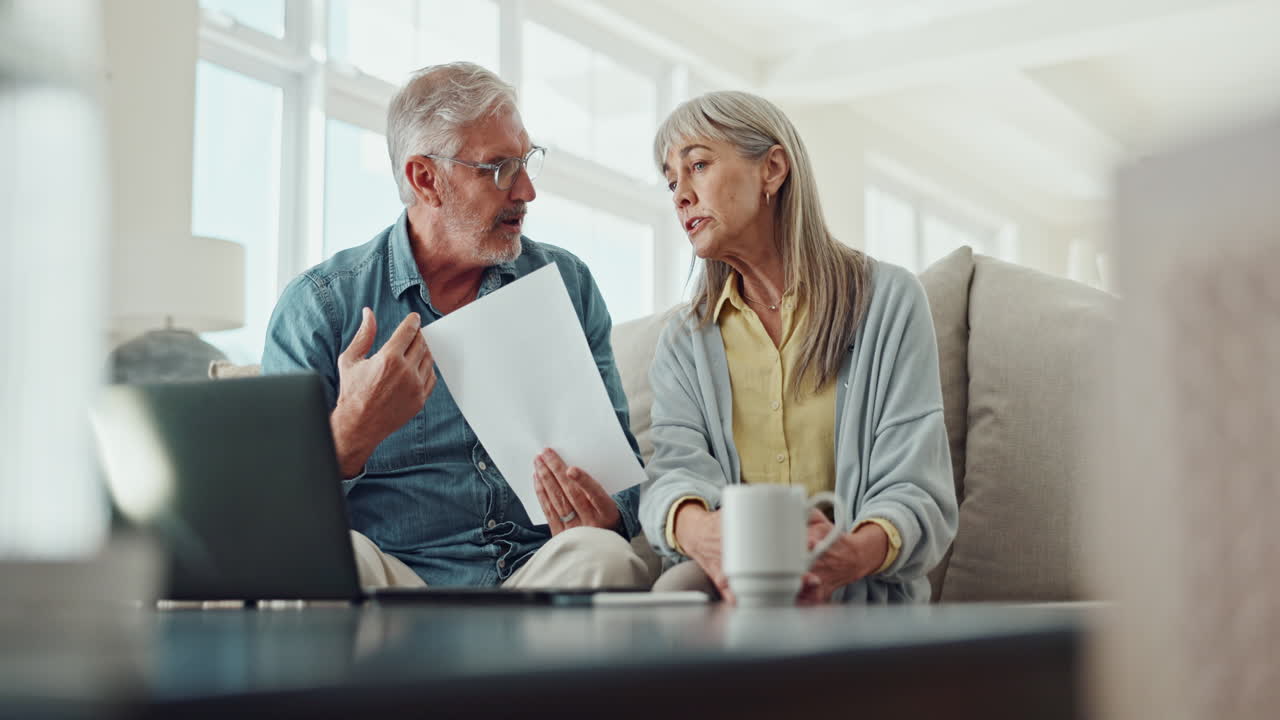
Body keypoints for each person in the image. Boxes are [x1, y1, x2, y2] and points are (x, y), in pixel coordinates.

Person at [263, 62, 649, 590]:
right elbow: (270, 511)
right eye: (499, 168)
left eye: (526, 161)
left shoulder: (567, 283)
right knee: (323, 557)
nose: (526, 191)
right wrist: (353, 430)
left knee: (605, 557)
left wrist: (607, 514)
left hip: (538, 574)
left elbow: (624, 472)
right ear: (426, 179)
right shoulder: (322, 306)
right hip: (398, 582)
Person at [640, 91, 959, 604]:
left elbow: (916, 487)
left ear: (772, 169)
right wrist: (701, 533)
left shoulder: (889, 301)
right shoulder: (684, 341)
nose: (681, 195)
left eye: (697, 165)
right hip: (732, 595)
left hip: (859, 599)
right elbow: (672, 474)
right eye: (672, 180)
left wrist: (848, 556)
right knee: (677, 590)